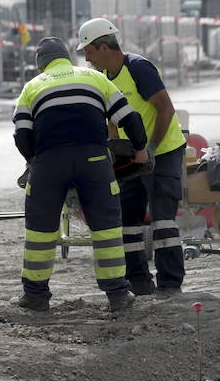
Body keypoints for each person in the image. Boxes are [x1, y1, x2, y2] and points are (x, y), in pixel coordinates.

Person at [12, 37, 149, 312]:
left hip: (49, 162)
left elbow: (22, 135)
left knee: (40, 231)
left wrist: (34, 161)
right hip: (94, 159)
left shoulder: (31, 87)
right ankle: (118, 296)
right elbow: (129, 117)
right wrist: (140, 151)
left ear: (41, 64)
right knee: (107, 229)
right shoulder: (93, 77)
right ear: (67, 57)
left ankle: (36, 296)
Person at [78, 18, 187, 295]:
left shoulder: (138, 68)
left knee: (163, 220)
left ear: (104, 47)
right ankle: (139, 282)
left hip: (162, 152)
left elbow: (165, 109)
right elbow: (111, 121)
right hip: (131, 159)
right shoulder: (104, 79)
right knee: (127, 221)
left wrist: (150, 148)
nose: (87, 59)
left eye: (88, 51)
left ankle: (170, 285)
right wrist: (115, 154)